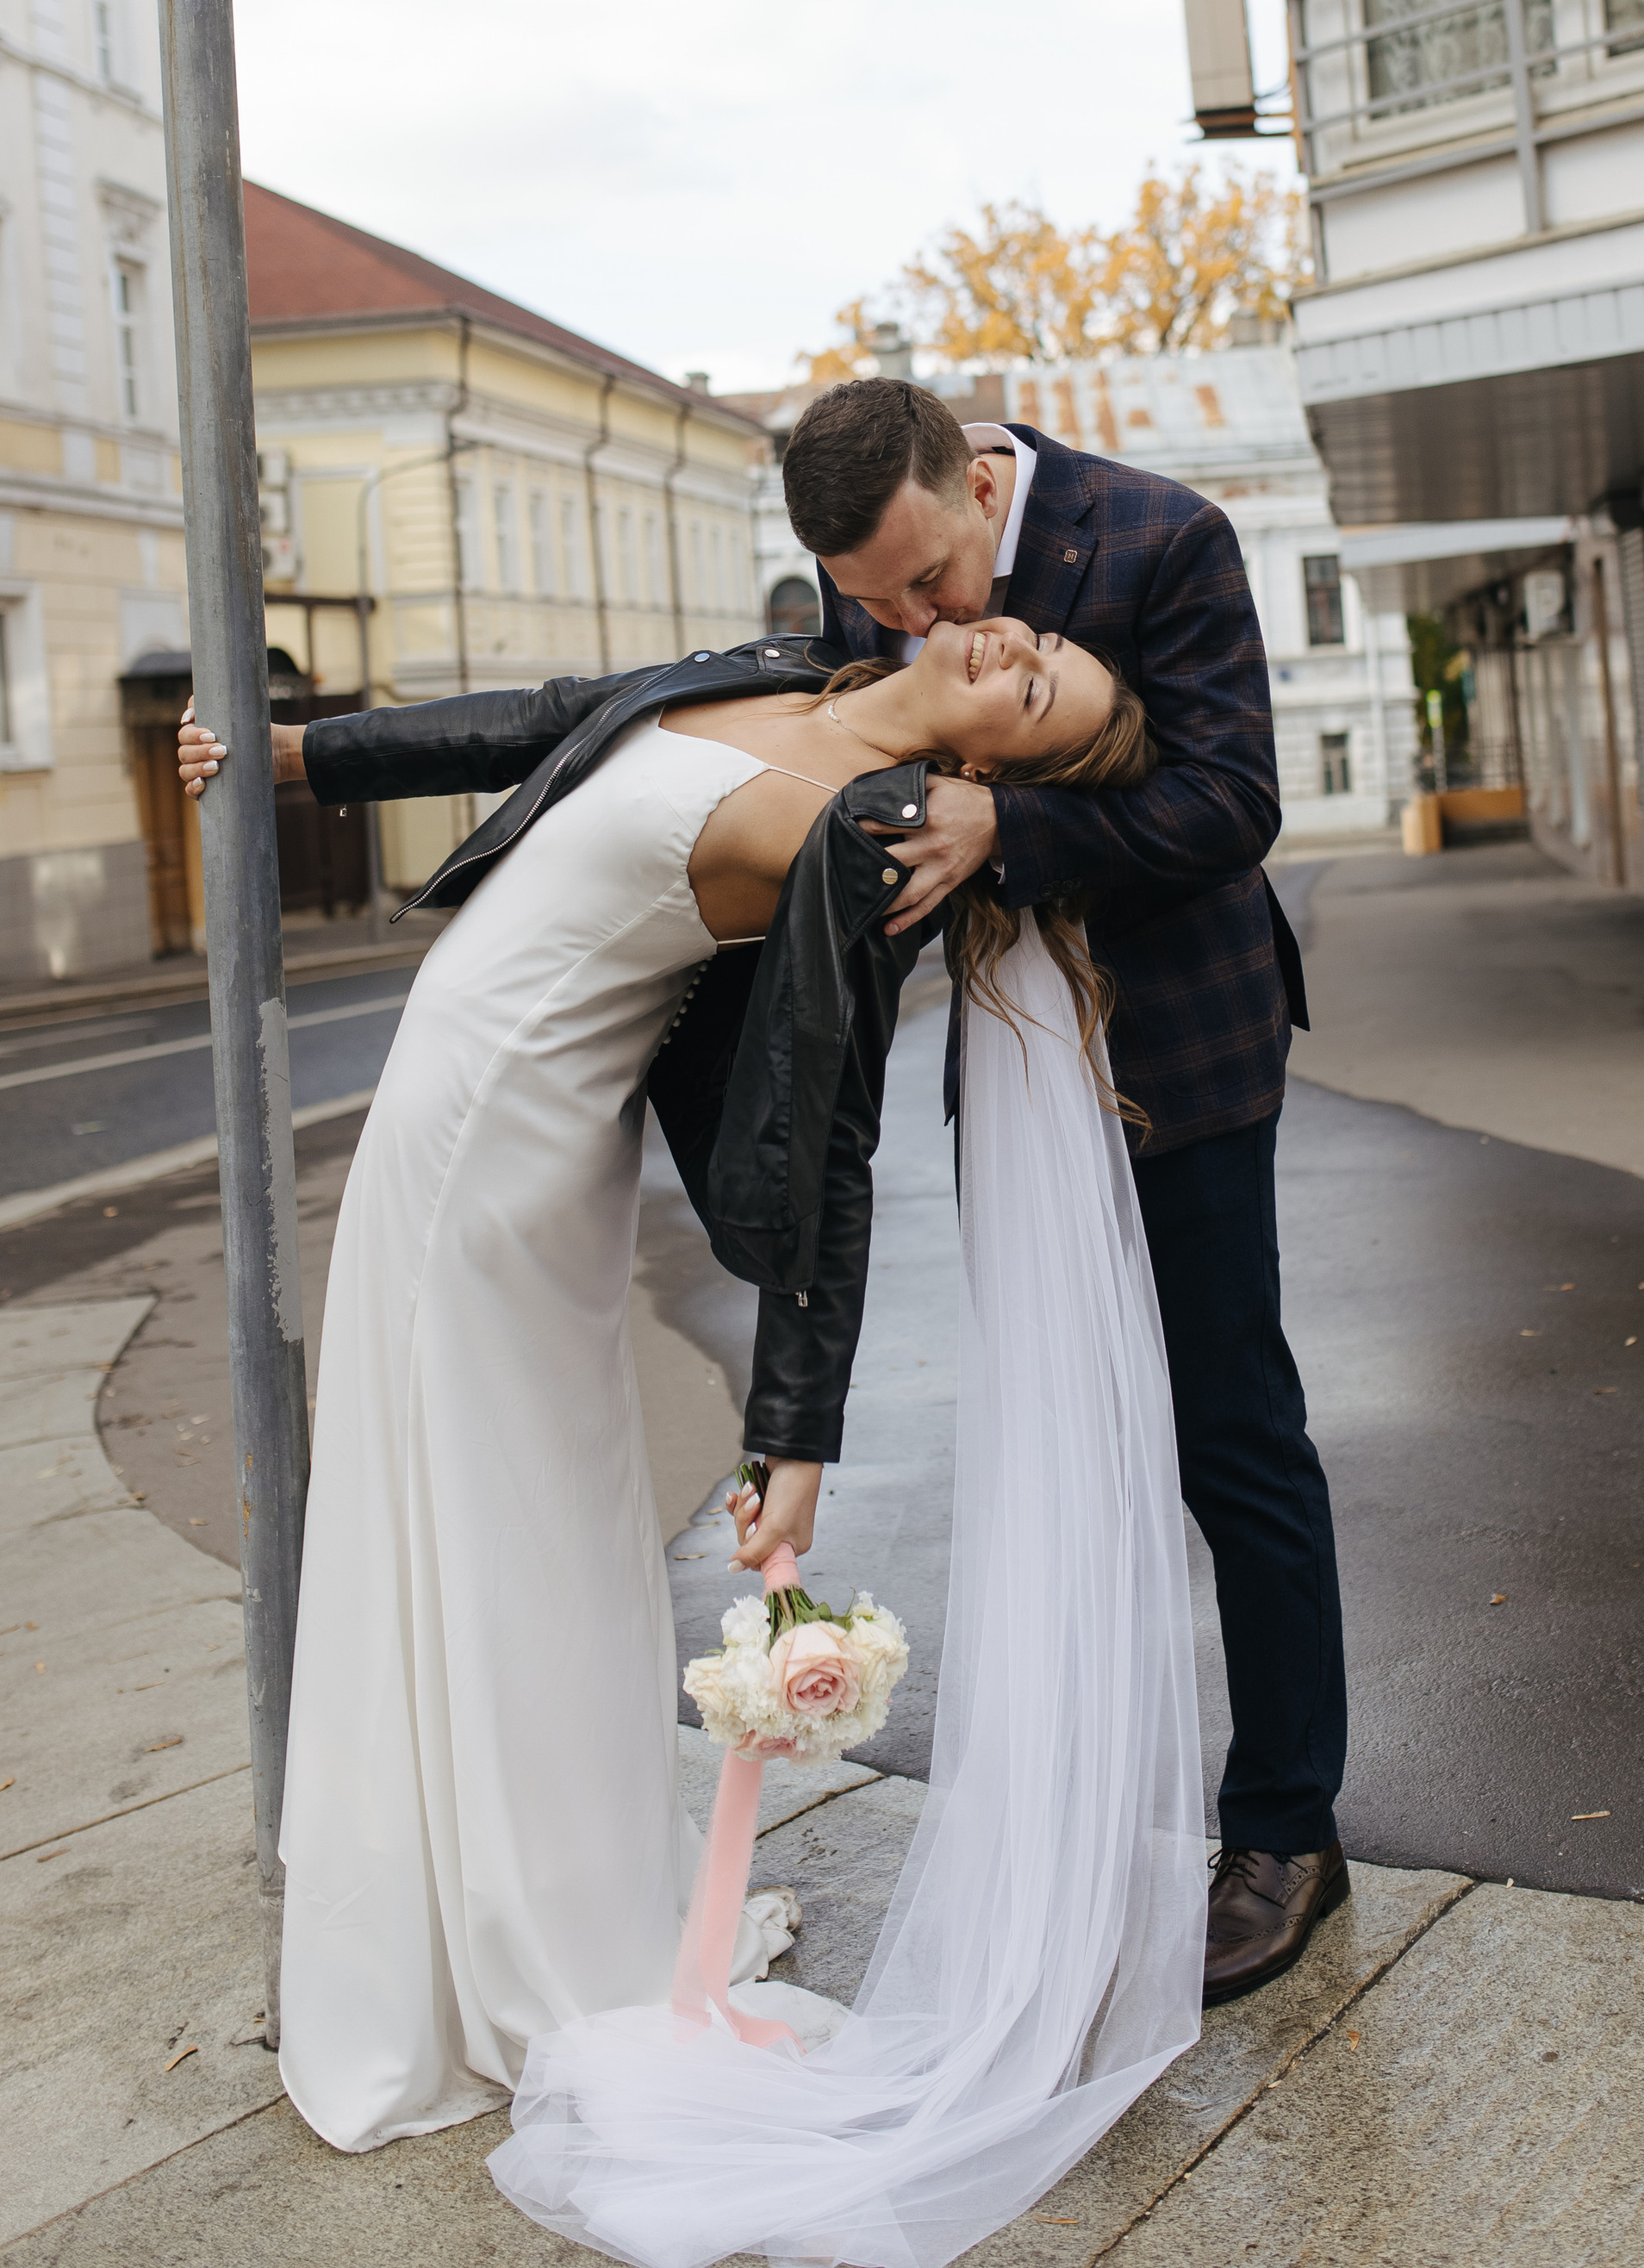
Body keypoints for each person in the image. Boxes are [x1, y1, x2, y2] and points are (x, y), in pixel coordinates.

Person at [182, 619, 1153, 2153]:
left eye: (1035, 693)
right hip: (472, 1100)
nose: (1011, 643)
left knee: (507, 1532)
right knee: (505, 1522)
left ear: (981, 768)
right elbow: (556, 717)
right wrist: (302, 755)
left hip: (504, 1153)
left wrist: (795, 1439)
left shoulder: (859, 831)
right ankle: (511, 1906)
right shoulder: (796, 673)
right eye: (1040, 642)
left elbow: (832, 1126)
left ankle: (530, 1933)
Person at [782, 377, 1348, 2005]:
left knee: (1231, 1440)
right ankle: (1091, 1813)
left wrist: (1006, 829)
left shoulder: (1167, 534)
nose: (903, 619)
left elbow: (1237, 802)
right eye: (869, 600)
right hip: (1012, 1084)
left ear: (976, 480)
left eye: (925, 585)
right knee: (1056, 1444)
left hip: (1188, 1054)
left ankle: (1286, 1829)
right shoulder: (875, 569)